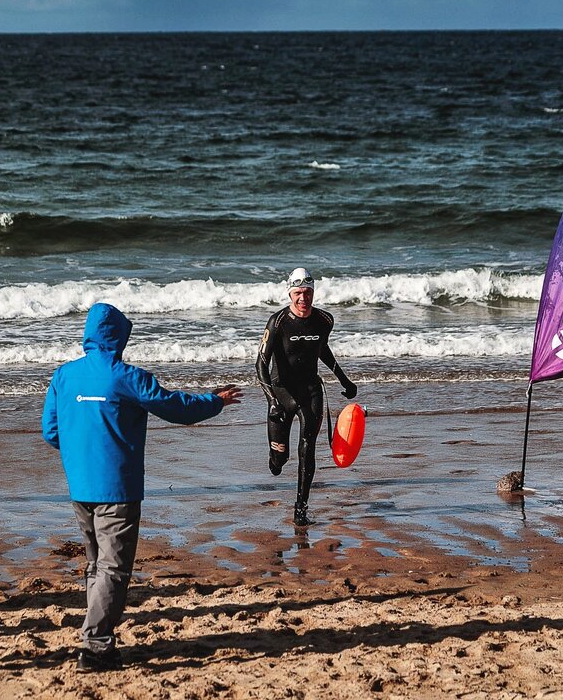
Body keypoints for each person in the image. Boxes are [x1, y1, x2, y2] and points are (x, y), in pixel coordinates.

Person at [42, 303, 241, 672]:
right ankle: (95, 646)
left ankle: (98, 639)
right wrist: (215, 401)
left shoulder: (64, 376)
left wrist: (81, 452)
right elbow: (175, 407)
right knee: (114, 569)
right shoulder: (126, 376)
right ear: (119, 336)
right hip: (117, 488)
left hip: (80, 487)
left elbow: (51, 432)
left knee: (94, 565)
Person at [255, 268, 357, 527]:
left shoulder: (324, 320)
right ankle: (276, 458)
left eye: (308, 292)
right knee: (279, 461)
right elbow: (260, 364)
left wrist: (344, 380)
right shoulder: (277, 322)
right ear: (290, 293)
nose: (303, 298)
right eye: (298, 293)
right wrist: (272, 401)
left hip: (311, 391)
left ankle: (300, 509)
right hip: (282, 394)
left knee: (308, 448)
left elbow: (322, 350)